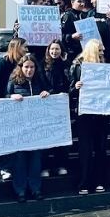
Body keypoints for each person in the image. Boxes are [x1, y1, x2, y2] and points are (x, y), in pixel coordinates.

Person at [6, 54, 51, 202]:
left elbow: (49, 91)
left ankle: (35, 189)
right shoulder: (14, 81)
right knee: (19, 159)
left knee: (36, 159)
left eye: (32, 67)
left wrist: (46, 93)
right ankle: (20, 190)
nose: (29, 70)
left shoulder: (40, 80)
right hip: (19, 127)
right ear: (21, 67)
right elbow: (4, 96)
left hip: (36, 127)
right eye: (26, 67)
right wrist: (11, 97)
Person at [69, 40, 110, 195]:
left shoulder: (105, 66)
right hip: (85, 113)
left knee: (100, 147)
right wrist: (76, 87)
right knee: (85, 149)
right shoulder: (77, 66)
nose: (103, 52)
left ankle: (100, 180)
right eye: (100, 50)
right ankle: (84, 182)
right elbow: (70, 90)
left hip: (101, 112)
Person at [40, 39, 71, 178]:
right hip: (46, 103)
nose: (54, 51)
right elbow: (40, 82)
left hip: (61, 104)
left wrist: (65, 63)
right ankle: (45, 166)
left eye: (57, 49)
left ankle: (61, 165)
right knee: (46, 137)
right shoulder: (42, 65)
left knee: (60, 137)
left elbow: (68, 82)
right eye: (52, 49)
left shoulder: (65, 65)